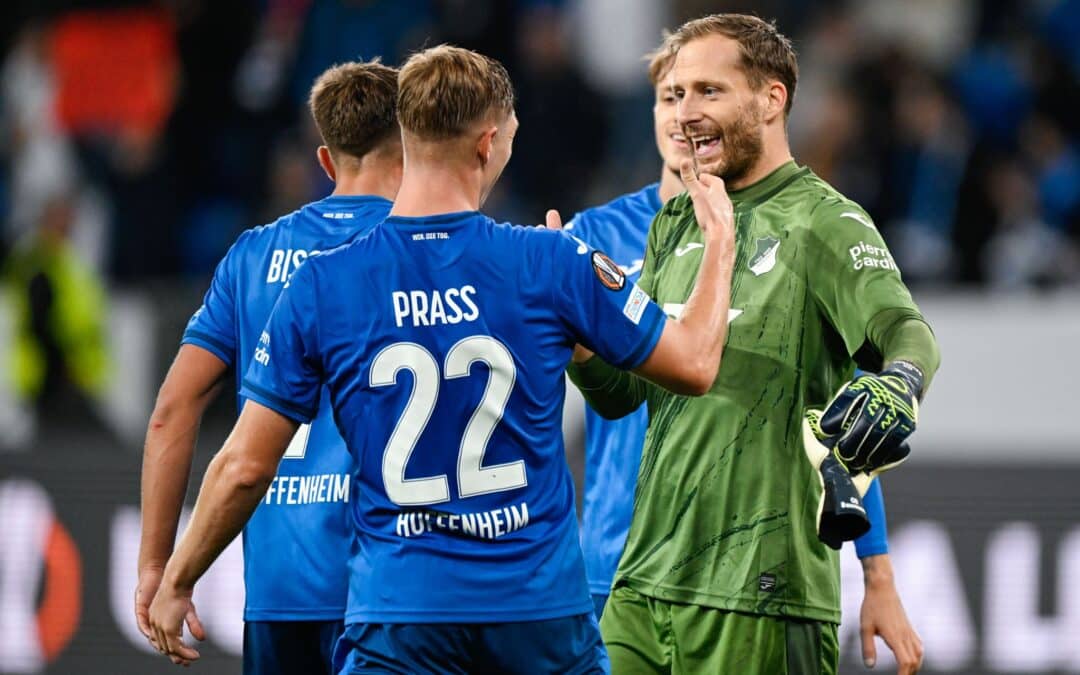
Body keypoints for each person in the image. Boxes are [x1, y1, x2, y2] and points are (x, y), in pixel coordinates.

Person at [145, 43, 738, 673]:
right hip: (537, 616)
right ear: (487, 144)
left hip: (402, 613)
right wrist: (721, 241)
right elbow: (695, 363)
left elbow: (242, 466)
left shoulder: (323, 282)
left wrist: (177, 576)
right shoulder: (553, 259)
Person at [568, 14, 938, 674]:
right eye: (674, 94)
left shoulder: (823, 219)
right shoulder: (674, 222)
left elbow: (904, 330)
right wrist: (584, 347)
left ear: (772, 99)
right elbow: (626, 393)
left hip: (759, 592)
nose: (684, 113)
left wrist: (900, 380)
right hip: (642, 583)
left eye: (708, 91)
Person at [135, 60, 403, 673]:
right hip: (394, 590)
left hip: (280, 592)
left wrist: (158, 566)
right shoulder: (426, 248)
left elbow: (171, 412)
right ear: (410, 145)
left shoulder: (252, 256)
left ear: (327, 161)